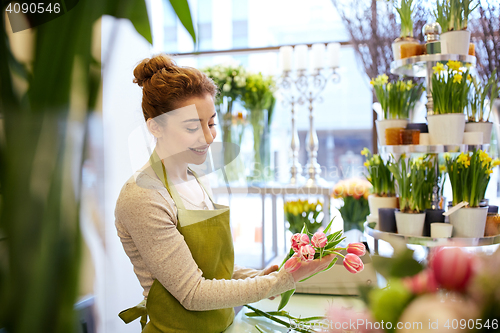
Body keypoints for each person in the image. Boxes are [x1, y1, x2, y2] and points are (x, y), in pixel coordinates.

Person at [115, 54, 336, 333]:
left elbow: (209, 268)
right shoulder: (143, 196)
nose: (208, 138)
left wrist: (258, 276)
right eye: (192, 127)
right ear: (155, 126)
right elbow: (193, 292)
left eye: (211, 123)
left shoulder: (194, 179)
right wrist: (282, 282)